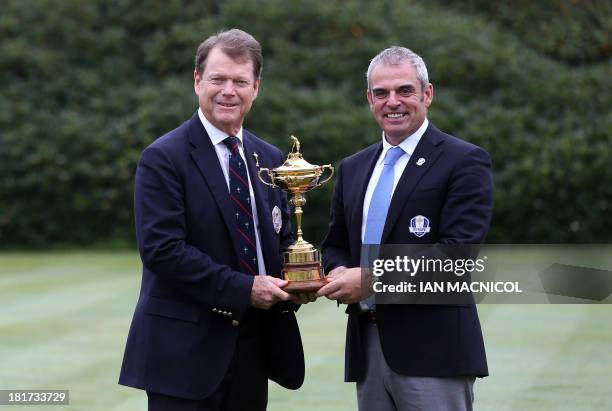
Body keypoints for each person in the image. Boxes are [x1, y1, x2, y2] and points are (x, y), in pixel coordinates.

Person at [119, 29, 306, 411]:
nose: (228, 91)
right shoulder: (163, 157)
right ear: (197, 81)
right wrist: (245, 289)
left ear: (256, 87)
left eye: (240, 81)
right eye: (218, 79)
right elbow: (162, 251)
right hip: (184, 353)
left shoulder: (269, 158)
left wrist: (302, 276)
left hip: (255, 349)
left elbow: (281, 235)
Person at [317, 46, 493, 411]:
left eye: (404, 90)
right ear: (369, 99)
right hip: (368, 344)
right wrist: (335, 271)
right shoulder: (353, 168)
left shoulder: (464, 161)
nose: (392, 102)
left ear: (427, 94)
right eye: (381, 93)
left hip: (434, 350)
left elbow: (455, 256)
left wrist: (367, 280)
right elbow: (335, 244)